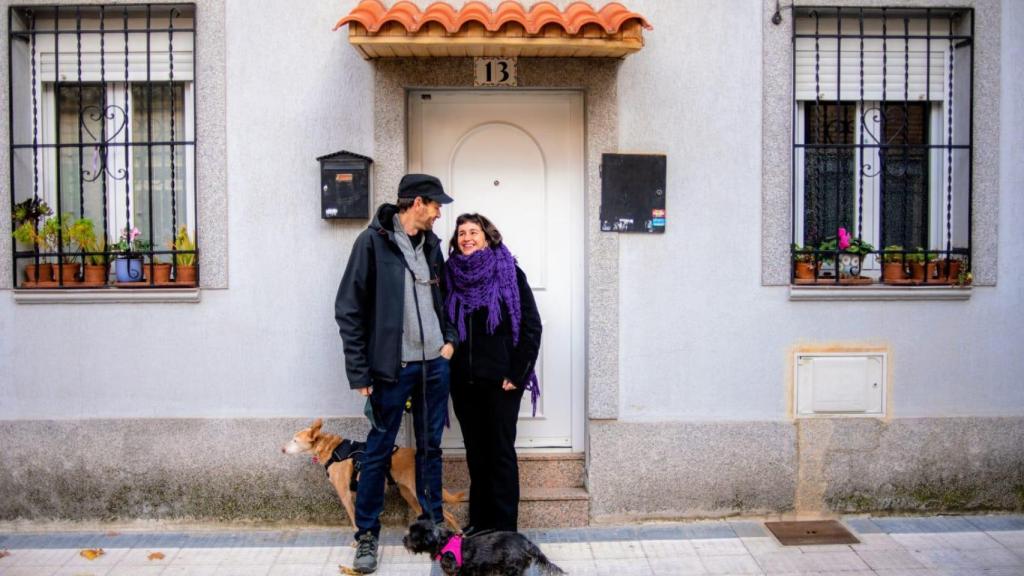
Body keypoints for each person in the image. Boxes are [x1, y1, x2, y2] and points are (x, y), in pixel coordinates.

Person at [334, 174, 458, 574]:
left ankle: (433, 525)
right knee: (378, 451)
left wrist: (449, 340)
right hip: (392, 369)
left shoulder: (431, 247)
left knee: (431, 448)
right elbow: (348, 308)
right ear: (417, 203)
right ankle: (367, 535)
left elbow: (442, 298)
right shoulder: (372, 243)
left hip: (434, 365)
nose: (439, 213)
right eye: (436, 205)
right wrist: (359, 372)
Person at [444, 213, 542, 534]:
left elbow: (531, 326)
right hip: (464, 383)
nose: (467, 238)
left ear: (487, 237)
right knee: (476, 454)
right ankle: (480, 523)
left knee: (499, 453)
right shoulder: (449, 275)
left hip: (502, 382)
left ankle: (504, 528)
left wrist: (518, 373)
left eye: (474, 232)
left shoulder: (508, 271)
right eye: (461, 233)